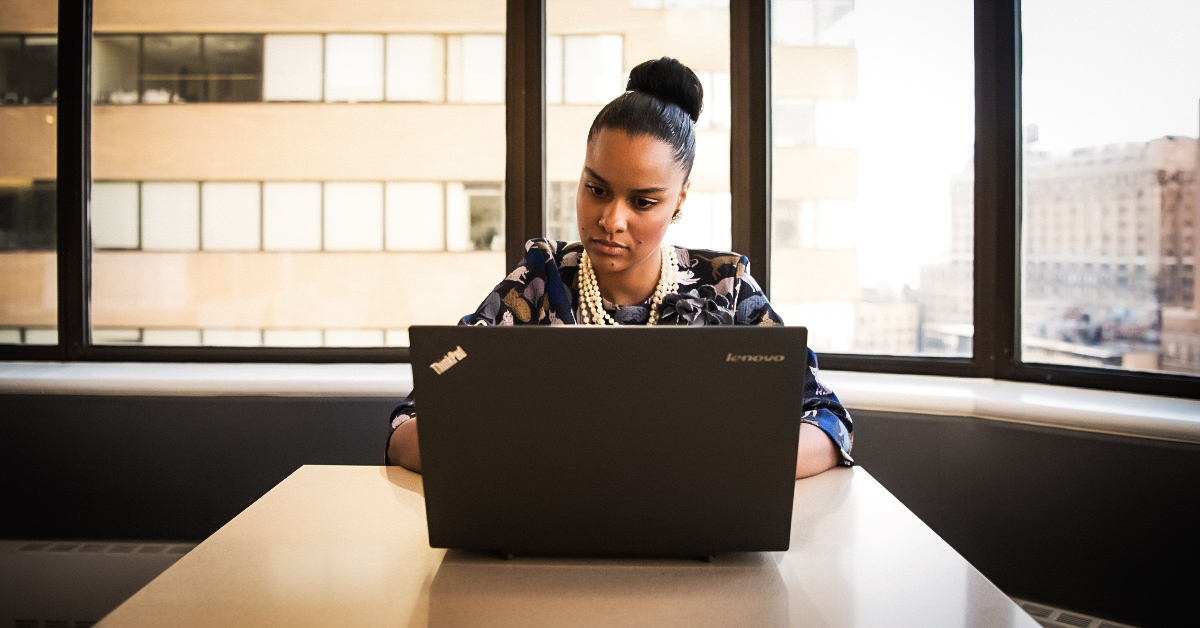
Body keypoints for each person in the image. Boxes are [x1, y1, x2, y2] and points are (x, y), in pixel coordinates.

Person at [388, 57, 853, 478]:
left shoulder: (726, 290)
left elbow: (828, 420)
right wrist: (518, 455)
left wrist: (723, 463)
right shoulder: (537, 283)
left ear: (680, 200)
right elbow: (409, 424)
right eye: (597, 190)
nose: (611, 221)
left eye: (643, 201)